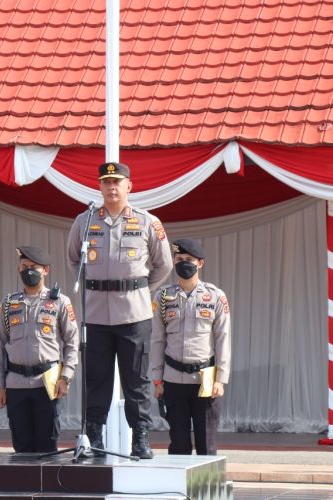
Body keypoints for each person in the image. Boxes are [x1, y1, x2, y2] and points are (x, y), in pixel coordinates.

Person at [66, 161, 173, 459]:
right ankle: (94, 438)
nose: (111, 187)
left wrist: (138, 288)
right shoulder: (85, 222)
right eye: (106, 182)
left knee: (136, 380)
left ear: (129, 186)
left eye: (117, 182)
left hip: (134, 314)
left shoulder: (147, 222)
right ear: (99, 186)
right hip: (96, 313)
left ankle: (140, 439)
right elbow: (74, 260)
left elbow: (164, 264)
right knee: (96, 379)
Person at [0, 246, 79, 453]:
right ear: (18, 269)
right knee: (21, 446)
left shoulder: (59, 302)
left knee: (46, 445)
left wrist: (65, 378)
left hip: (46, 384)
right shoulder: (8, 304)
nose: (28, 271)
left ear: (46, 270)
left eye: (34, 267)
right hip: (16, 385)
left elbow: (72, 343)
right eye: (24, 267)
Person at [150, 239, 231, 455]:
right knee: (179, 443)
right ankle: (179, 489)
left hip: (204, 379)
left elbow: (223, 338)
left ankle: (206, 487)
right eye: (179, 259)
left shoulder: (215, 296)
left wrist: (221, 380)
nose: (184, 263)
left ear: (200, 263)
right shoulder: (163, 297)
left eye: (189, 260)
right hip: (173, 379)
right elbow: (157, 340)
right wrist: (157, 379)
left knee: (206, 443)